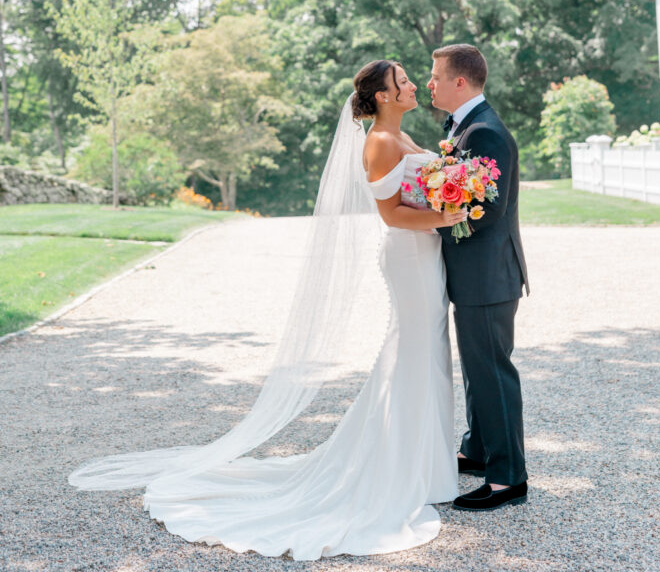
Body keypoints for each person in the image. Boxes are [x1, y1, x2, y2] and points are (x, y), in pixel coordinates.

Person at [69, 59, 464, 559]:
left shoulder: (402, 137)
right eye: (402, 82)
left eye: (408, 79)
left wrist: (447, 202)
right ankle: (401, 469)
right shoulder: (380, 143)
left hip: (426, 254)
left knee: (424, 352)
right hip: (409, 257)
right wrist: (445, 214)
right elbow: (390, 215)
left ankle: (424, 467)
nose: (411, 86)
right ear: (383, 97)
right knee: (412, 352)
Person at [428, 43, 530, 511]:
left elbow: (483, 212)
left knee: (492, 373)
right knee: (476, 369)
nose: (430, 84)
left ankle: (509, 477)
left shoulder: (485, 133)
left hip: (489, 276)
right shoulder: (467, 128)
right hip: (475, 276)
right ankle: (476, 449)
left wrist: (427, 212)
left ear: (460, 82)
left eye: (435, 76)